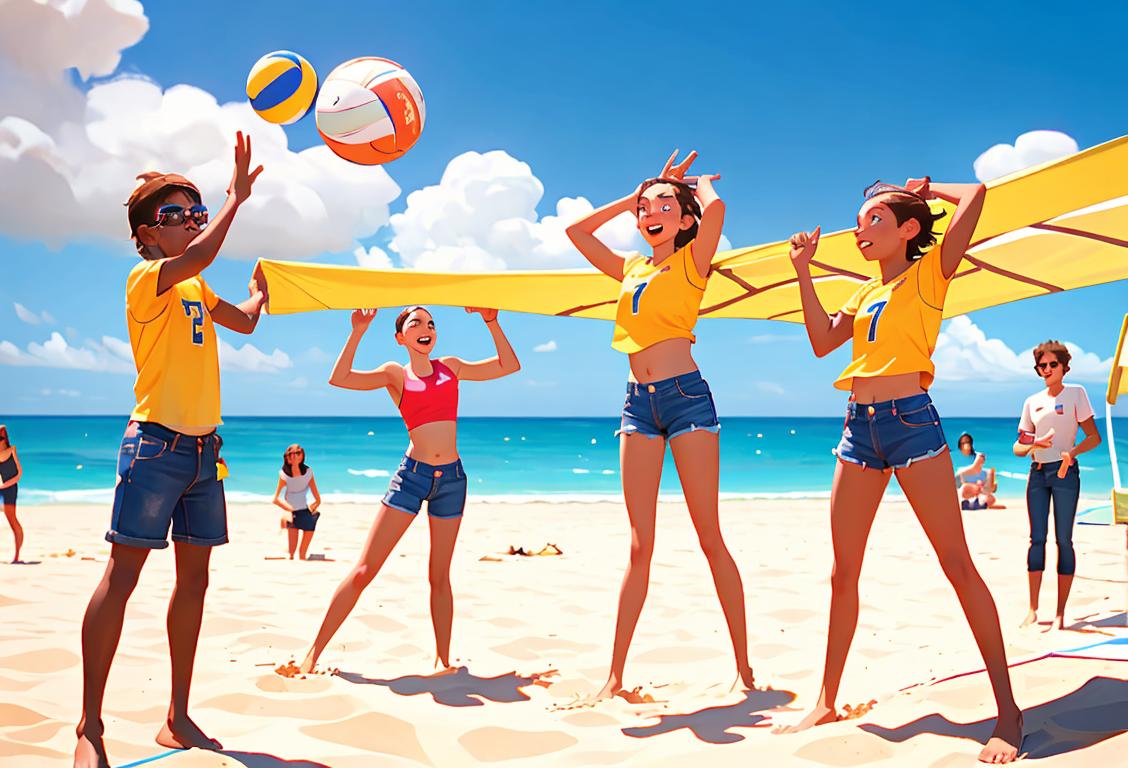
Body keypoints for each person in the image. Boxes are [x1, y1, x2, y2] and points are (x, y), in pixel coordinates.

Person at [776, 177, 1023, 763]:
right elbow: (819, 343)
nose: (859, 231)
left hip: (911, 423)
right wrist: (802, 270)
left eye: (873, 221)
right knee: (842, 573)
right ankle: (827, 698)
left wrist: (930, 188)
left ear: (909, 229)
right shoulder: (861, 293)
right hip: (857, 429)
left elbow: (977, 196)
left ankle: (1008, 711)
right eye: (858, 221)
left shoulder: (931, 271)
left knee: (957, 565)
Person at [74, 132, 265, 768]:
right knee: (121, 580)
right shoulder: (146, 279)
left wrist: (266, 289)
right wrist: (235, 200)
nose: (189, 221)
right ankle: (90, 728)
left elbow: (242, 320)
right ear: (147, 235)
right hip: (155, 444)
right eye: (175, 215)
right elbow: (202, 261)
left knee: (195, 584)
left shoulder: (193, 289)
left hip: (206, 454)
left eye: (196, 212)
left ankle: (177, 717)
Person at [566, 151, 754, 699]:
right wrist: (637, 193)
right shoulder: (631, 267)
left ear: (686, 219)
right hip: (636, 405)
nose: (652, 213)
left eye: (664, 206)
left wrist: (695, 185)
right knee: (639, 546)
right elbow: (576, 231)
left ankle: (744, 668)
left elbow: (718, 214)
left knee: (708, 536)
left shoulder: (695, 260)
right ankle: (614, 677)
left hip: (687, 400)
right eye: (645, 209)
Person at [299, 305, 520, 674]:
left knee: (439, 575)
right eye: (415, 323)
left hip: (451, 480)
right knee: (364, 570)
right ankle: (312, 655)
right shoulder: (394, 374)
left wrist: (491, 320)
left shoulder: (452, 367)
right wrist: (358, 330)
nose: (426, 328)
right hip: (411, 477)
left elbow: (508, 365)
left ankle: (443, 660)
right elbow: (340, 378)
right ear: (401, 337)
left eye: (431, 323)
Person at [1013, 341, 1101, 631]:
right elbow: (1017, 446)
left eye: (1053, 364)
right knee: (1036, 539)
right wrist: (1032, 444)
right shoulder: (1031, 401)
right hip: (1037, 474)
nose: (1048, 369)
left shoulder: (1077, 394)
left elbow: (1093, 437)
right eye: (1042, 365)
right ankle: (1033, 609)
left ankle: (1061, 613)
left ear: (1064, 366)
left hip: (1065, 474)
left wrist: (1071, 454)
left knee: (1064, 540)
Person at [272, 444, 322, 560]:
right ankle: (284, 520)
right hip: (293, 515)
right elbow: (275, 499)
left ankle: (285, 521)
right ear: (287, 457)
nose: (294, 456)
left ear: (302, 455)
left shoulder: (308, 472)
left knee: (302, 555)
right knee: (291, 554)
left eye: (298, 453)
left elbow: (318, 499)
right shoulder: (284, 475)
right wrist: (289, 510)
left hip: (305, 513)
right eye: (291, 454)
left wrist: (312, 508)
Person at [956, 433, 1002, 510]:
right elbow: (958, 483)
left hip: (981, 492)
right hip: (967, 491)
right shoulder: (960, 462)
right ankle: (973, 503)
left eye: (968, 442)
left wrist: (992, 481)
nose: (966, 445)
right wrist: (976, 485)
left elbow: (993, 489)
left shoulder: (985, 471)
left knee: (991, 498)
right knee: (966, 488)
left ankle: (977, 504)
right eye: (963, 443)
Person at [0, 425, 24, 563]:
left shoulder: (12, 450)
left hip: (10, 489)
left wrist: (5, 485)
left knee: (12, 521)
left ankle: (16, 556)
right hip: (1, 488)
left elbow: (19, 473)